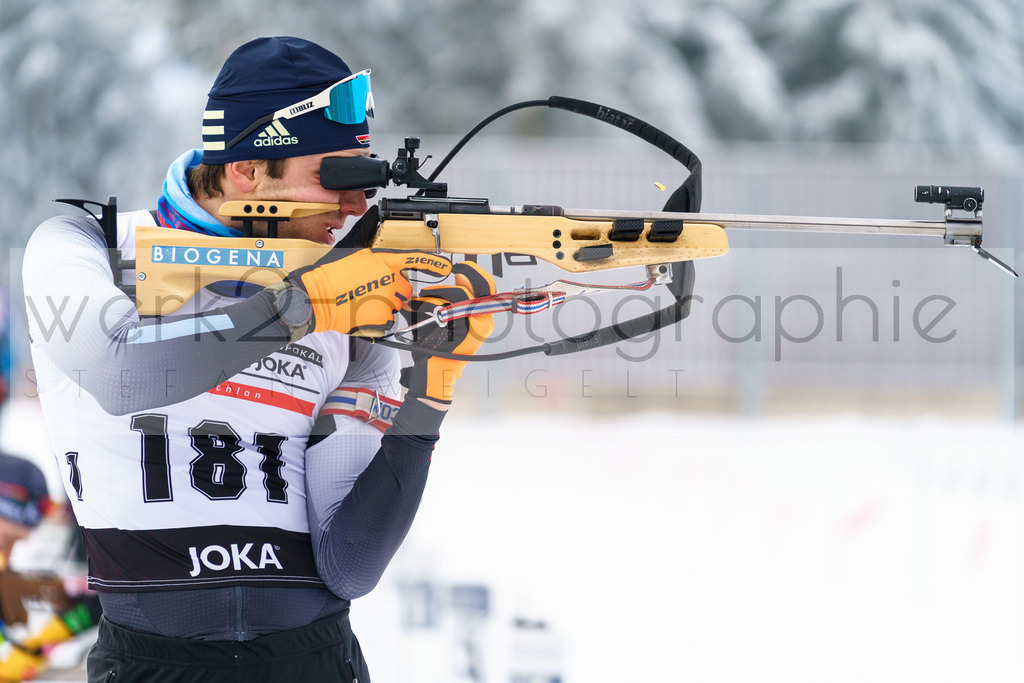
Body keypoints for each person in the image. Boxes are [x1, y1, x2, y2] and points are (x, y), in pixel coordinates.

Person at [22, 36, 495, 682]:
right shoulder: (90, 248)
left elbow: (349, 563)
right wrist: (301, 306)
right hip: (150, 664)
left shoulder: (353, 302)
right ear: (246, 171)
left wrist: (431, 390)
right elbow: (120, 370)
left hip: (314, 660)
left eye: (364, 179)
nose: (356, 206)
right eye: (334, 178)